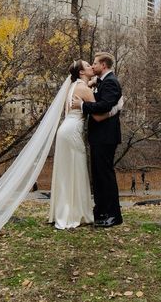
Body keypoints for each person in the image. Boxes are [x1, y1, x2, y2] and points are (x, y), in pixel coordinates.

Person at [49, 59, 123, 229]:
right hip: (73, 133)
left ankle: (64, 211)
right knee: (78, 171)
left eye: (93, 64)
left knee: (66, 172)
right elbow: (97, 112)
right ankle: (77, 212)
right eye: (88, 66)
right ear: (82, 72)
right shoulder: (84, 88)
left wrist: (92, 84)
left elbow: (91, 100)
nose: (92, 67)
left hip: (65, 130)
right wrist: (116, 109)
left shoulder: (73, 86)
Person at [72, 52, 123, 228]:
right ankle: (101, 211)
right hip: (99, 136)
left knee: (106, 176)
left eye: (95, 63)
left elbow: (104, 107)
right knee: (99, 176)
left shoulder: (111, 82)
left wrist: (82, 105)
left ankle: (113, 215)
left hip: (106, 136)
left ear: (104, 65)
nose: (93, 66)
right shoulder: (103, 82)